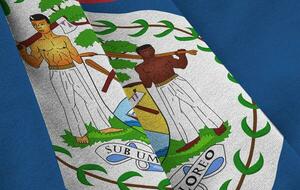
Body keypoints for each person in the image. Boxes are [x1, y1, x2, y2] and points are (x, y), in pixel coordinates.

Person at [18, 14, 119, 144]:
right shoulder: (37, 44)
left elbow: (75, 56)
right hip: (56, 72)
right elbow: (36, 63)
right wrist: (23, 53)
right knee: (69, 103)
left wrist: (85, 54)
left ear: (48, 23)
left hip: (72, 69)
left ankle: (104, 127)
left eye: (41, 24)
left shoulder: (63, 38)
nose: (39, 27)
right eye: (35, 26)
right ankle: (79, 134)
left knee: (88, 98)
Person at [135, 44, 226, 152]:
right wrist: (142, 74)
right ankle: (191, 138)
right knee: (176, 113)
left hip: (177, 81)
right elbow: (148, 84)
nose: (147, 53)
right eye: (143, 52)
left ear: (153, 49)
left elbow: (182, 65)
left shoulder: (165, 57)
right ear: (140, 54)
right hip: (162, 88)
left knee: (196, 103)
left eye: (148, 50)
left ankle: (218, 125)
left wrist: (182, 55)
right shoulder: (141, 67)